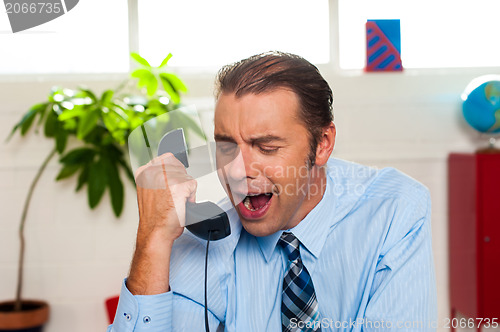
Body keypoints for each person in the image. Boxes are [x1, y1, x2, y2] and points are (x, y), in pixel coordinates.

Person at [107, 51, 437, 332]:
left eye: (265, 147)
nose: (236, 171)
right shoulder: (208, 240)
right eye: (225, 146)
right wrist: (152, 239)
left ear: (322, 145)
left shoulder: (395, 210)